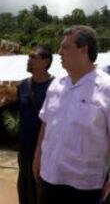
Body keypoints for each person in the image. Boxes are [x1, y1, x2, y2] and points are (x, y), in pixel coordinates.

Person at [33, 25, 110, 204]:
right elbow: (46, 123)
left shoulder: (106, 88)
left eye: (66, 47)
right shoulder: (56, 85)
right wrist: (38, 155)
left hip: (85, 187)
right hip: (49, 178)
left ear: (84, 50)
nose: (59, 52)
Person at [17, 45, 53, 204]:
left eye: (33, 56)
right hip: (24, 150)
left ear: (45, 61)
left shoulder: (57, 87)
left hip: (46, 151)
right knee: (24, 190)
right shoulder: (22, 85)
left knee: (42, 192)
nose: (28, 59)